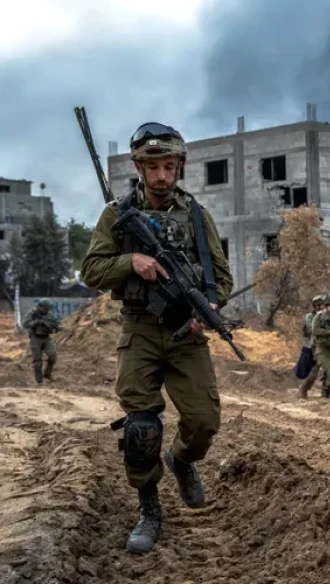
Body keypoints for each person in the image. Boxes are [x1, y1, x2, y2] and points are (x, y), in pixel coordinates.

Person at [80, 122, 233, 554]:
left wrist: (209, 308)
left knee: (204, 423)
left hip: (187, 331)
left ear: (179, 167)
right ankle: (149, 509)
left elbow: (221, 278)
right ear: (139, 168)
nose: (161, 175)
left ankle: (181, 460)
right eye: (153, 167)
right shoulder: (116, 215)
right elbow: (90, 271)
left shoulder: (197, 215)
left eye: (168, 166)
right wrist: (131, 261)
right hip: (140, 328)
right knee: (141, 429)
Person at [22, 298, 61, 383]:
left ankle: (47, 374)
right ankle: (39, 381)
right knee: (37, 362)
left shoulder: (49, 315)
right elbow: (24, 324)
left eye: (48, 309)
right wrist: (36, 323)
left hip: (46, 338)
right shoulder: (32, 313)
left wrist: (56, 327)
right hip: (35, 338)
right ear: (40, 307)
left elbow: (57, 324)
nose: (47, 310)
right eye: (46, 308)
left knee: (53, 356)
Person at [298, 294, 324, 398]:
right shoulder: (310, 317)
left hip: (327, 345)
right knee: (314, 371)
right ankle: (304, 388)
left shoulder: (328, 315)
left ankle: (326, 394)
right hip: (315, 345)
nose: (323, 307)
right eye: (321, 305)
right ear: (316, 306)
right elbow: (312, 329)